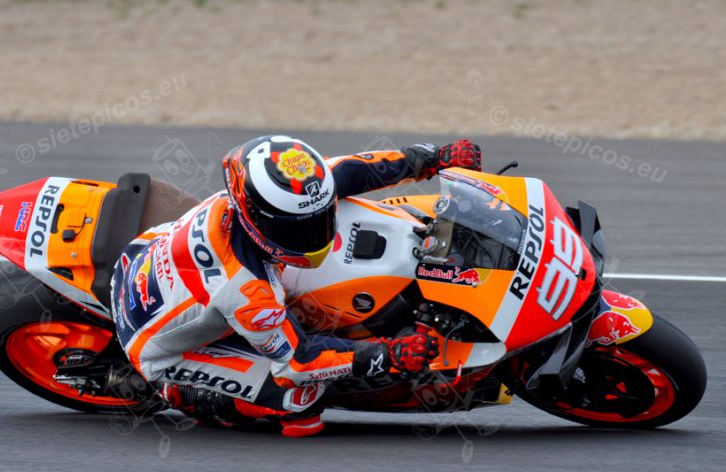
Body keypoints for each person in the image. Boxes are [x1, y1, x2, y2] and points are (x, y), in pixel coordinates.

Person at [110, 135, 482, 436]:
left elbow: (355, 170)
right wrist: (387, 354)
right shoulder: (247, 291)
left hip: (145, 254)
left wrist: (437, 157)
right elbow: (299, 361)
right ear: (260, 221)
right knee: (302, 400)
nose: (316, 232)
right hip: (158, 345)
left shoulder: (283, 194)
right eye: (299, 227)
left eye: (318, 218)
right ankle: (183, 393)